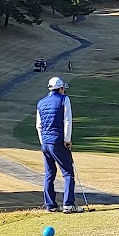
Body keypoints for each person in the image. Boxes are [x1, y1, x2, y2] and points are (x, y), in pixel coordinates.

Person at [36, 77, 83, 213]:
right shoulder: (64, 99)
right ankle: (68, 204)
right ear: (60, 89)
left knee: (49, 174)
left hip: (45, 142)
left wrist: (43, 141)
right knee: (68, 173)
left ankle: (50, 205)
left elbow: (39, 126)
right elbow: (67, 120)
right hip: (58, 141)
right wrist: (67, 139)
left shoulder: (41, 102)